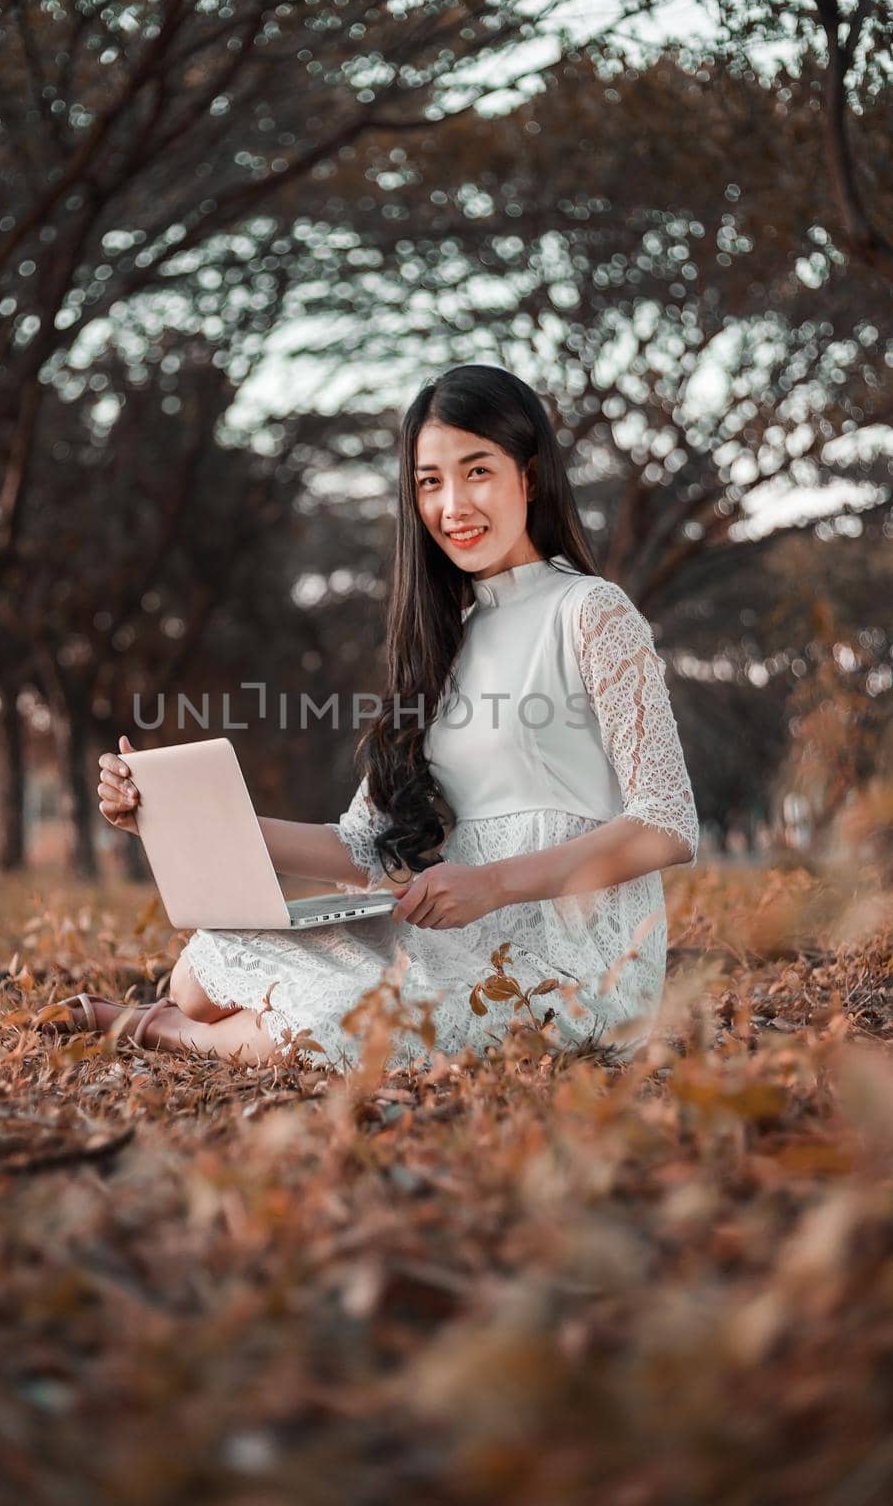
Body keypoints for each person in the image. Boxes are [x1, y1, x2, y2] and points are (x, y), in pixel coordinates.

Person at [36, 365, 699, 1070]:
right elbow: (361, 847)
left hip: (575, 956)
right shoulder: (446, 642)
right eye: (429, 483)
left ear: (528, 478)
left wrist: (491, 884)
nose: (452, 505)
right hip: (452, 934)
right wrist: (172, 820)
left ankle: (162, 1032)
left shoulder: (592, 612)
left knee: (335, 1023)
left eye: (476, 472)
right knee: (200, 970)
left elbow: (666, 821)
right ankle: (194, 1016)